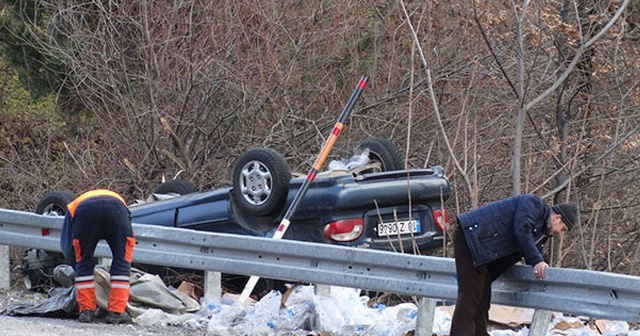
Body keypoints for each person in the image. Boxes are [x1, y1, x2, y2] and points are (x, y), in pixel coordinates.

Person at [449, 194, 578, 336]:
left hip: (483, 250)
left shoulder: (541, 234)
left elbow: (533, 252)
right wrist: (537, 260)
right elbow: (522, 230)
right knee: (470, 297)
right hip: (471, 237)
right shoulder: (532, 204)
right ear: (557, 218)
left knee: (482, 298)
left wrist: (541, 268)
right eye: (563, 229)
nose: (560, 233)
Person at [60, 189, 135, 324]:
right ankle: (116, 313)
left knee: (83, 261)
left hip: (85, 211)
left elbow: (67, 245)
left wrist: (76, 264)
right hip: (116, 209)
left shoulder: (74, 206)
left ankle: (86, 312)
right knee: (122, 261)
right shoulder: (120, 203)